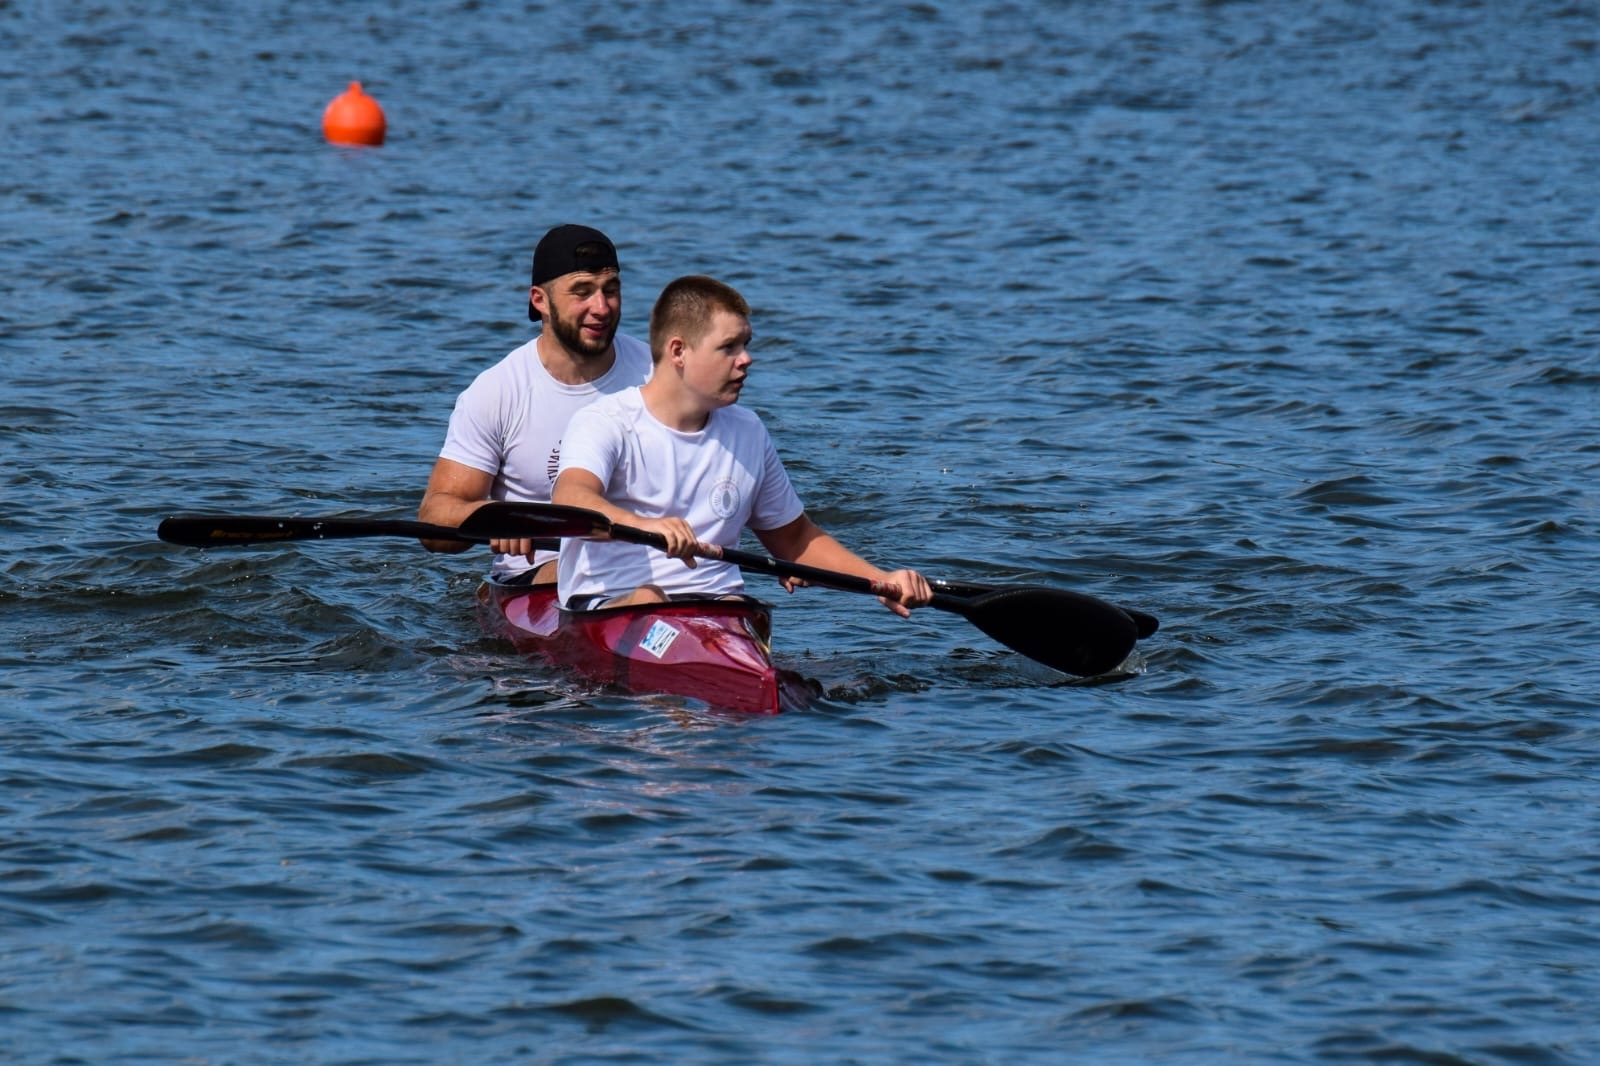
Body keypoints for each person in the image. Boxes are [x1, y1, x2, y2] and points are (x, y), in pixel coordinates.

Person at [551, 274, 932, 617]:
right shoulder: (605, 422)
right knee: (649, 598)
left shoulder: (747, 431)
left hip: (718, 607)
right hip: (610, 606)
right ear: (678, 351)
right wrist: (645, 525)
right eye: (729, 347)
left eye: (746, 344)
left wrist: (881, 581)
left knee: (738, 607)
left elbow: (795, 541)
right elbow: (571, 500)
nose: (746, 359)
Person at [417, 224, 652, 582]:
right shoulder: (497, 392)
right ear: (539, 300)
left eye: (611, 290)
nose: (601, 307)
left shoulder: (657, 376)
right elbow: (434, 521)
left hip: (649, 572)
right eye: (582, 292)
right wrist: (495, 516)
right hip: (542, 577)